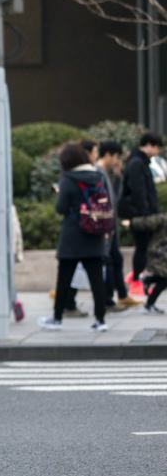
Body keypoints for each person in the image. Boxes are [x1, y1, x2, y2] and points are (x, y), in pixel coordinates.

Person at [38, 143, 110, 331]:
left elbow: (60, 208)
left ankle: (57, 318)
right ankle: (101, 320)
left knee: (64, 279)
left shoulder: (68, 179)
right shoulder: (98, 176)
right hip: (95, 233)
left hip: (73, 236)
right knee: (96, 281)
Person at [96, 141, 141, 311]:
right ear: (108, 154)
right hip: (106, 226)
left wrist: (119, 176)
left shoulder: (107, 173)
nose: (117, 161)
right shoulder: (98, 172)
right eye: (116, 157)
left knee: (116, 259)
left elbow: (115, 198)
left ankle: (119, 296)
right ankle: (107, 300)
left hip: (111, 224)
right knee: (108, 261)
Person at [121, 132, 163, 283]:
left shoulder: (140, 162)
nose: (157, 152)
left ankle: (141, 278)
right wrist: (146, 214)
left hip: (142, 214)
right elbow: (138, 191)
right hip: (140, 215)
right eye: (157, 147)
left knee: (145, 248)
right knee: (143, 248)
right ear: (149, 145)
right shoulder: (137, 163)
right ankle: (138, 280)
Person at [129, 211, 167, 314]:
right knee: (165, 279)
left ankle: (148, 280)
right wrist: (132, 222)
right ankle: (149, 302)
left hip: (161, 252)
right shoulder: (163, 218)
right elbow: (148, 222)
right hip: (159, 253)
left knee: (164, 279)